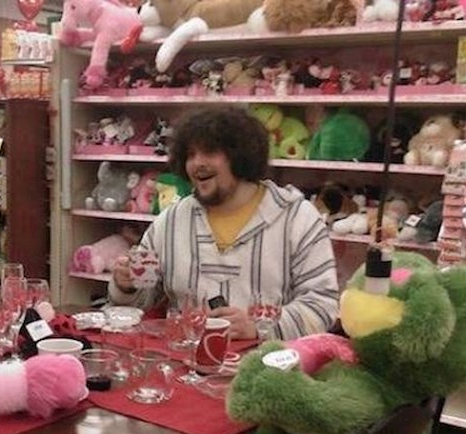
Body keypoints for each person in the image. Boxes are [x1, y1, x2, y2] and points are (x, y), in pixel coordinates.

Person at [109, 106, 339, 340]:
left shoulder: (297, 218)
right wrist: (126, 284)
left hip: (268, 361)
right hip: (184, 359)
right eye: (190, 155)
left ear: (240, 155)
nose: (197, 163)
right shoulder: (169, 222)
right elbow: (143, 303)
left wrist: (260, 327)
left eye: (209, 152)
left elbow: (322, 304)